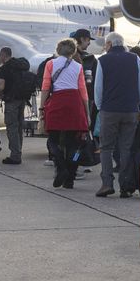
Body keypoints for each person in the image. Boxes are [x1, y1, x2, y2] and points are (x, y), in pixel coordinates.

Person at [93, 32, 140, 198]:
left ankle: (107, 183)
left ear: (109, 44)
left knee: (106, 148)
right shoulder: (134, 59)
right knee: (126, 148)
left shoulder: (102, 60)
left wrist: (100, 107)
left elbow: (98, 88)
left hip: (109, 110)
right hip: (130, 110)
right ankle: (125, 185)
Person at [39, 38, 89, 189]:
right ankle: (70, 178)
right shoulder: (78, 67)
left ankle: (60, 167)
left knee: (53, 141)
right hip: (75, 104)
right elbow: (83, 91)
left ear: (58, 50)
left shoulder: (51, 64)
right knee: (74, 144)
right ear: (73, 51)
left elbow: (46, 87)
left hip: (58, 102)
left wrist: (42, 108)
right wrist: (86, 113)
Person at [0, 47, 33, 165]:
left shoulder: (4, 69)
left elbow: (1, 87)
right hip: (22, 99)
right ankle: (18, 152)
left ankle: (15, 156)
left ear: (2, 55)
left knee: (12, 127)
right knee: (19, 127)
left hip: (11, 101)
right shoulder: (22, 65)